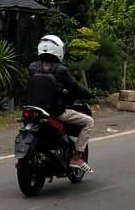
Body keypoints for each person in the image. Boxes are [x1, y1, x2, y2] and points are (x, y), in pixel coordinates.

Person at [23, 35, 92, 170]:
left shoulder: (33, 67)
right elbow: (74, 87)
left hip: (33, 109)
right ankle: (77, 157)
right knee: (89, 122)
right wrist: (88, 93)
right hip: (56, 112)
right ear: (58, 50)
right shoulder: (61, 70)